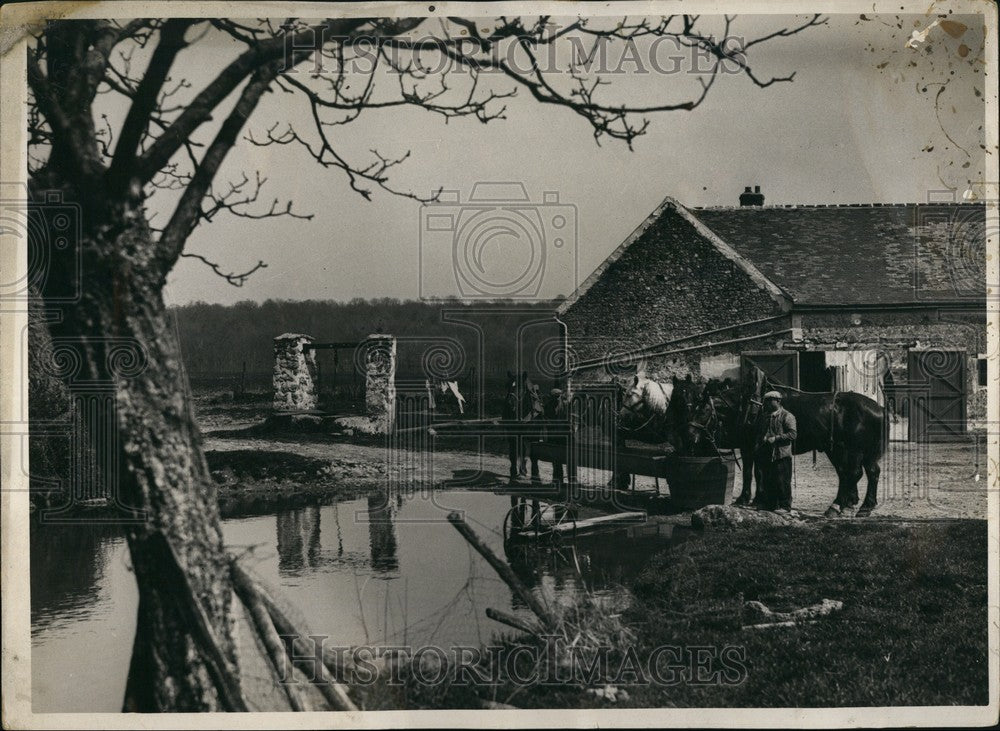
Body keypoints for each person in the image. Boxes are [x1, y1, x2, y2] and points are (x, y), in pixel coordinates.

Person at [753, 390, 797, 512]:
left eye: (769, 400)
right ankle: (770, 504)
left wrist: (776, 438)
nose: (766, 403)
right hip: (767, 454)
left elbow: (793, 434)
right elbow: (760, 432)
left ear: (778, 401)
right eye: (765, 401)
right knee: (769, 480)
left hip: (781, 454)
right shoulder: (764, 416)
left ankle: (785, 506)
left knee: (782, 481)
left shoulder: (787, 416)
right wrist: (760, 441)